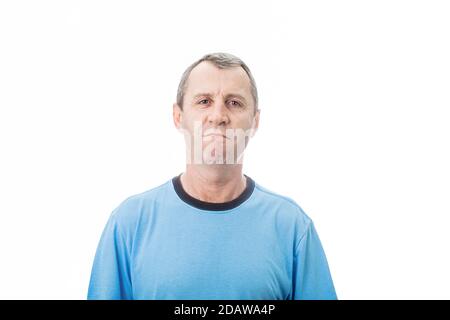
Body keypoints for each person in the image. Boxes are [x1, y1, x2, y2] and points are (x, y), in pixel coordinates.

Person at [87, 52, 337, 300]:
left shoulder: (292, 227)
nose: (218, 116)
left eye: (234, 103)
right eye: (204, 101)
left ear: (255, 121)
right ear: (178, 116)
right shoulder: (129, 223)